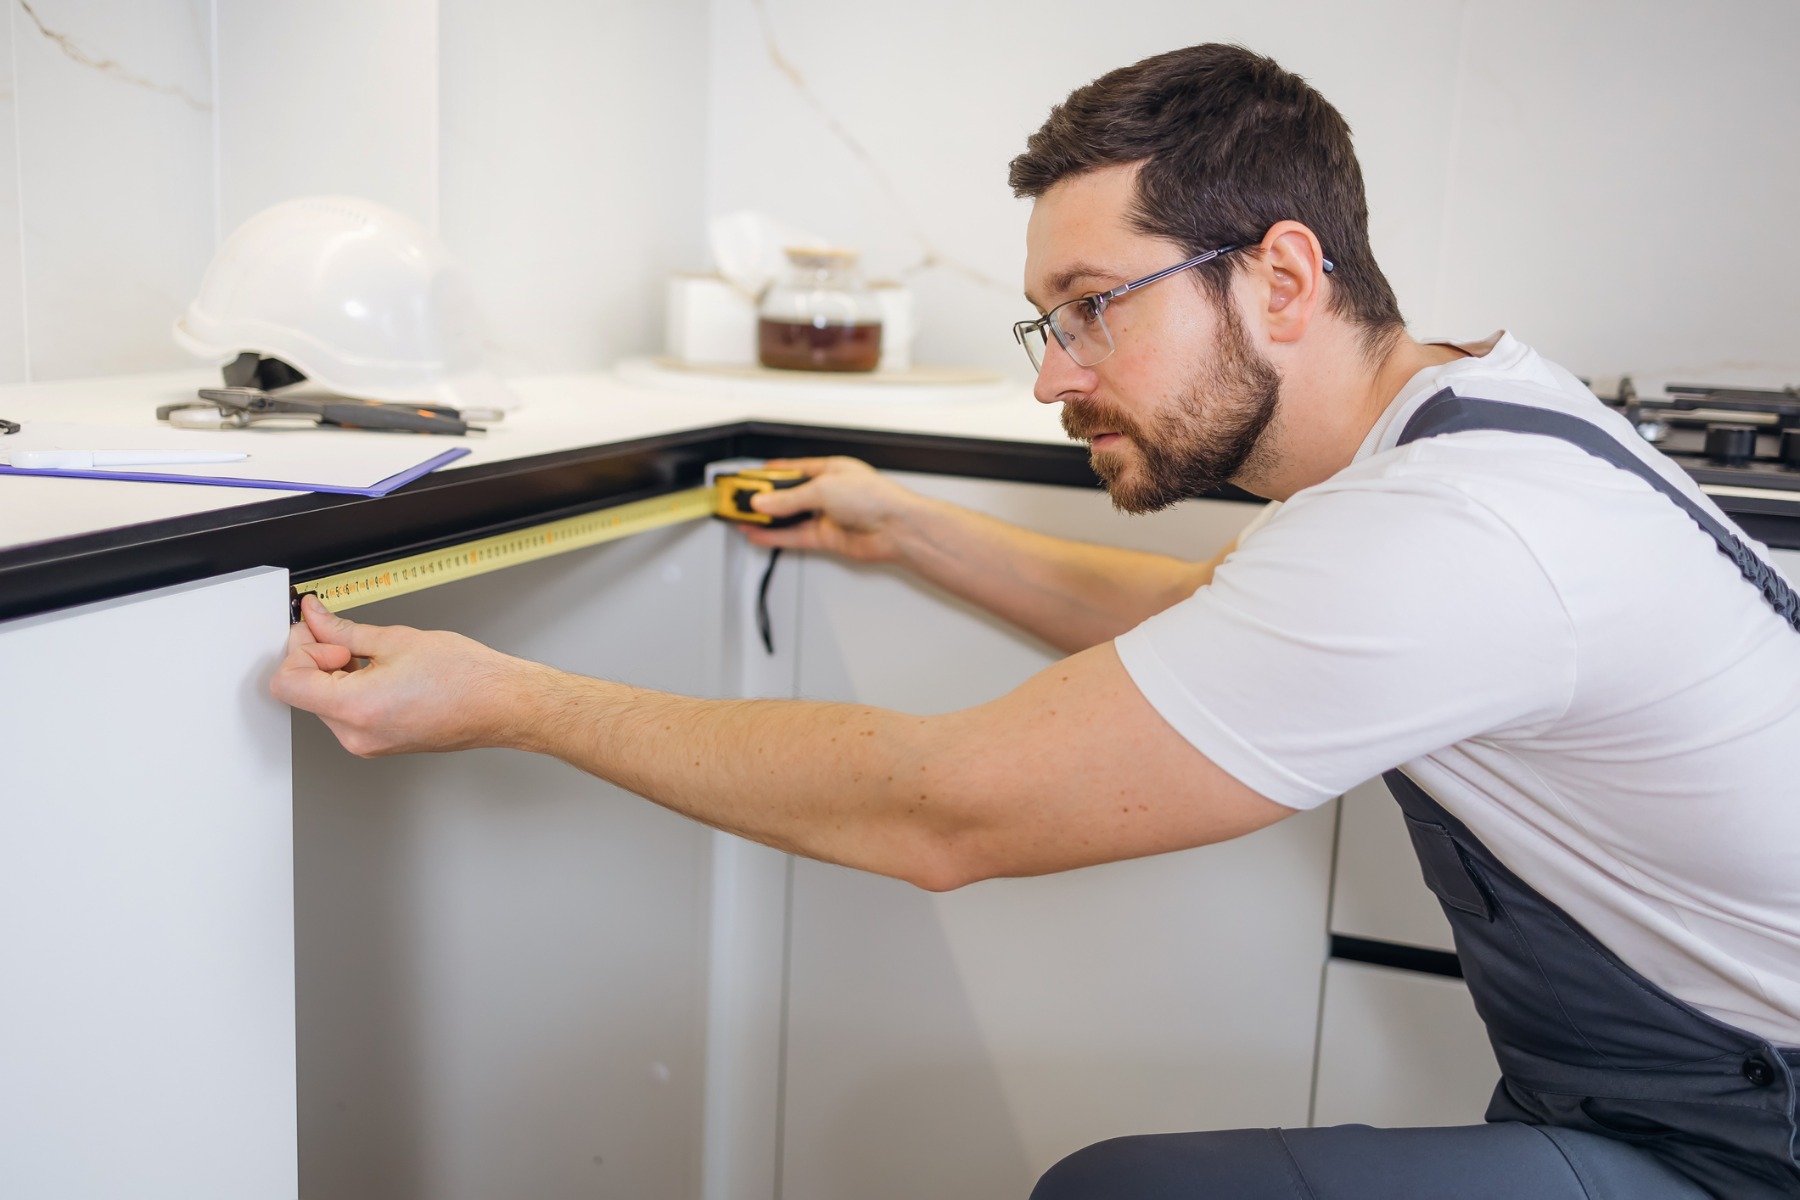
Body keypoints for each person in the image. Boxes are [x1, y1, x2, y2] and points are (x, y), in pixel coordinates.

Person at [273, 43, 1800, 1200]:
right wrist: (909, 529)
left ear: (1281, 276)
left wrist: (511, 698)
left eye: (1095, 306)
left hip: (1742, 1141)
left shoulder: (1452, 533)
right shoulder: (1459, 420)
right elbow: (1222, 621)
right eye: (1048, 320)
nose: (1054, 375)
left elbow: (941, 810)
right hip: (1666, 1095)